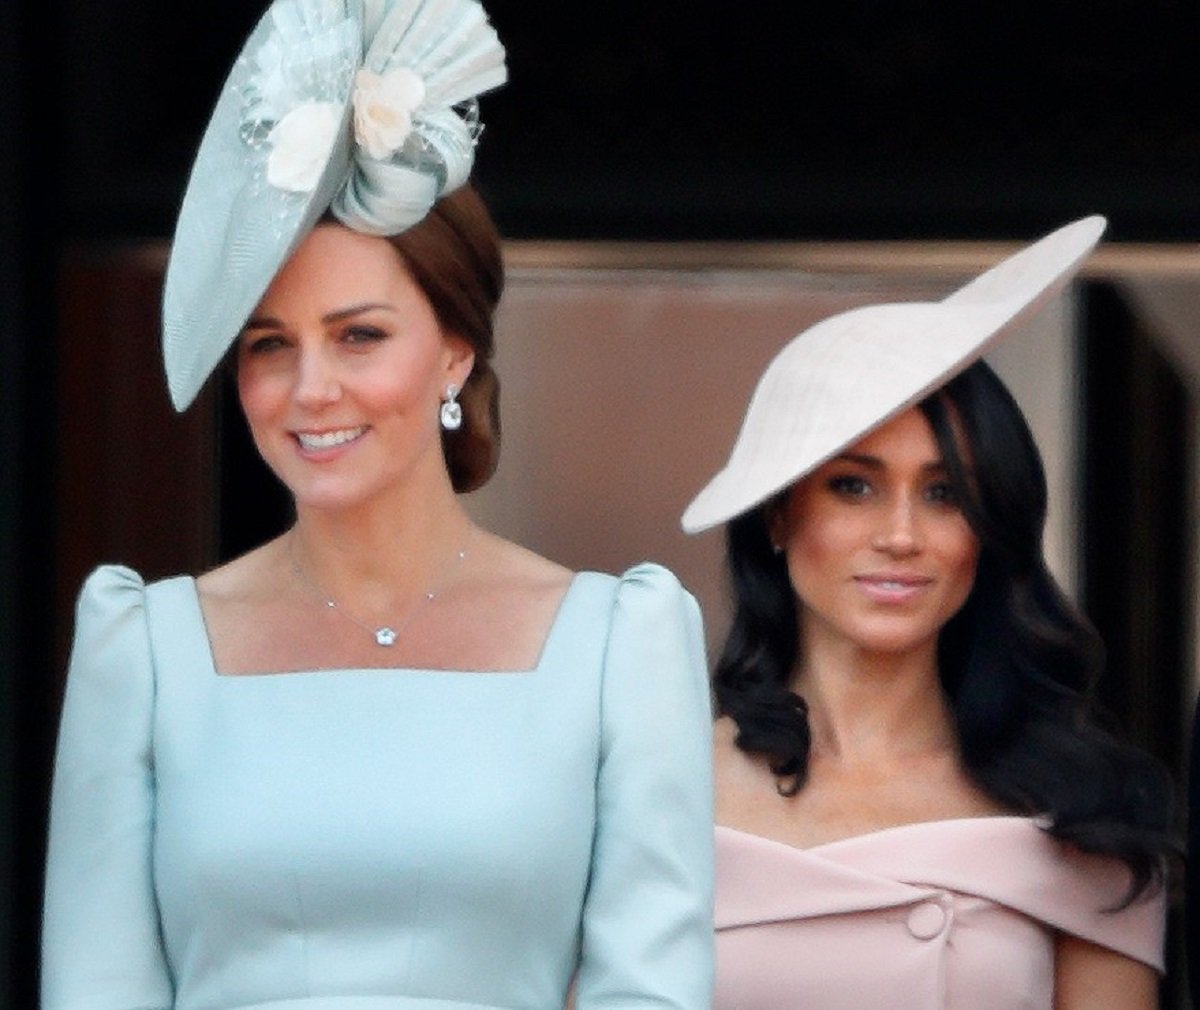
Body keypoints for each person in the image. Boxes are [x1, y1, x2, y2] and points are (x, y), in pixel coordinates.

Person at [41, 1, 714, 1007]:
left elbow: (650, 989)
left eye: (359, 335)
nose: (311, 387)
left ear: (455, 348)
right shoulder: (140, 650)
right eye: (270, 344)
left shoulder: (619, 642)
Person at [681, 216, 1178, 1010]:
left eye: (945, 494)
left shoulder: (1081, 810)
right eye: (854, 485)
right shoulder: (653, 787)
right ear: (777, 516)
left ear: (989, 526)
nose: (902, 536)